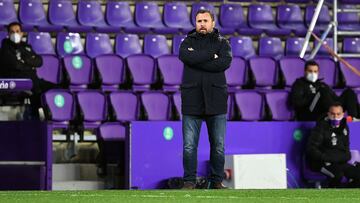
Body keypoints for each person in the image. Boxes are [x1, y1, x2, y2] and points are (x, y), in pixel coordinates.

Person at [178, 9, 232, 189]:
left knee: (218, 146)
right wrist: (211, 55)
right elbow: (186, 57)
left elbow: (224, 63)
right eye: (199, 21)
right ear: (195, 23)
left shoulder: (223, 43)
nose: (202, 24)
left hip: (216, 101)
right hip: (192, 101)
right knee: (189, 147)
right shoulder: (187, 42)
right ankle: (189, 181)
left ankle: (216, 181)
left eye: (205, 20)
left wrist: (198, 58)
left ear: (213, 23)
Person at [0, 22, 56, 119]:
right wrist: (30, 64)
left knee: (55, 87)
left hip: (33, 79)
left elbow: (39, 61)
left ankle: (52, 117)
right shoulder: (5, 48)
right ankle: (38, 117)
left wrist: (25, 60)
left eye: (17, 31)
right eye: (12, 32)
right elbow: (15, 65)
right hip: (16, 80)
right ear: (8, 34)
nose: (15, 34)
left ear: (22, 33)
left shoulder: (26, 47)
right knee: (35, 90)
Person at [306, 102, 360, 188]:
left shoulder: (344, 127)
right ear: (328, 114)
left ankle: (345, 194)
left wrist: (344, 157)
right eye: (333, 114)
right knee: (337, 175)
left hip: (339, 163)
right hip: (323, 163)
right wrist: (326, 158)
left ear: (343, 114)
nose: (335, 117)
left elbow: (346, 149)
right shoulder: (320, 128)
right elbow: (311, 149)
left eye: (338, 114)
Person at [290, 60, 360, 121]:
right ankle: (332, 114)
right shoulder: (299, 84)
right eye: (310, 71)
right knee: (322, 91)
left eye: (315, 71)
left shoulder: (321, 84)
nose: (313, 73)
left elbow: (334, 98)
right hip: (309, 112)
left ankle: (353, 118)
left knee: (349, 92)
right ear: (305, 71)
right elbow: (297, 103)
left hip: (326, 110)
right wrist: (313, 96)